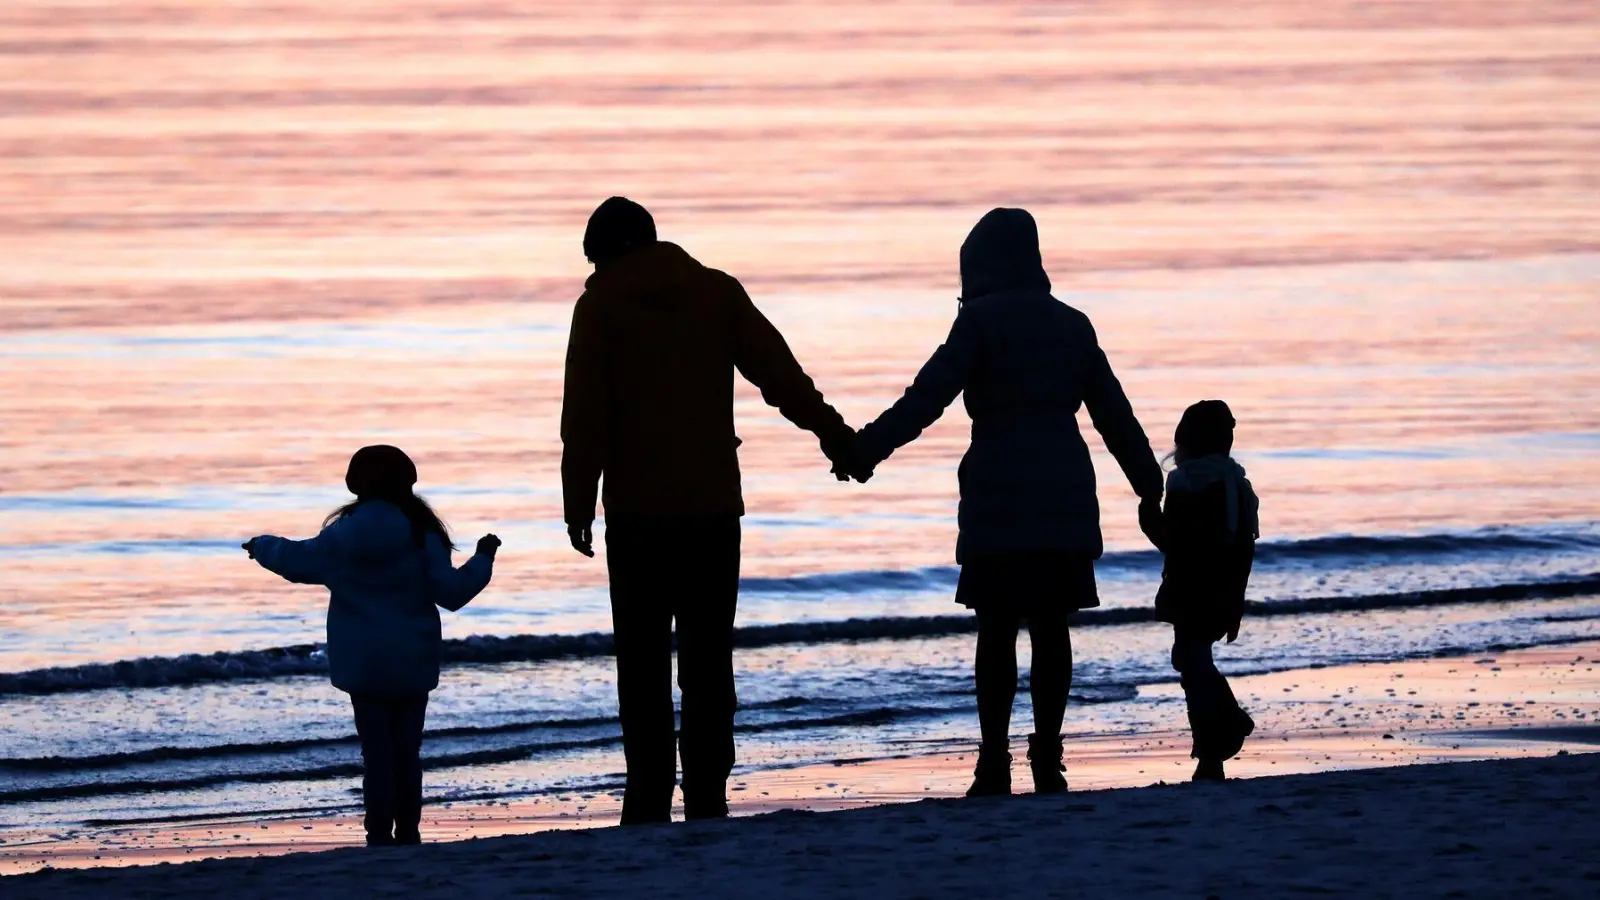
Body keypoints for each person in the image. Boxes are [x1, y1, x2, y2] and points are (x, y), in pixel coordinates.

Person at [843, 208, 1163, 797]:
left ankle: (993, 760)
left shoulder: (981, 322)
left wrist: (866, 450)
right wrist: (1149, 484)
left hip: (997, 488)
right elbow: (1114, 414)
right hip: (1063, 486)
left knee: (995, 630)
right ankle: (1047, 753)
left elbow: (926, 397)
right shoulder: (1073, 324)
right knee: (1051, 626)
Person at [561, 197, 856, 824]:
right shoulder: (716, 292)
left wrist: (577, 497)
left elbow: (584, 413)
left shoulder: (601, 305)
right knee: (707, 656)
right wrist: (832, 432)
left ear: (605, 252)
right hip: (711, 506)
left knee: (641, 660)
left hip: (638, 510)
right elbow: (780, 376)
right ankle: (707, 788)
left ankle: (646, 790)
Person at [243, 444, 500, 845]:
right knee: (407, 752)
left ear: (355, 483)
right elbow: (452, 593)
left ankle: (378, 832)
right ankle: (409, 831)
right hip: (413, 657)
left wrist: (260, 545)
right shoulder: (421, 532)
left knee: (376, 753)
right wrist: (484, 557)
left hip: (362, 661)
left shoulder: (345, 534)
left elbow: (297, 560)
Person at [1139, 400, 1259, 782]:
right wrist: (1236, 602)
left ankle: (1219, 737)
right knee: (1191, 662)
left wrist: (1148, 520)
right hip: (1220, 590)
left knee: (1192, 664)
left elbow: (1178, 543)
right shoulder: (1235, 485)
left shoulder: (1189, 485)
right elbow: (1243, 550)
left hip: (1192, 590)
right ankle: (1212, 752)